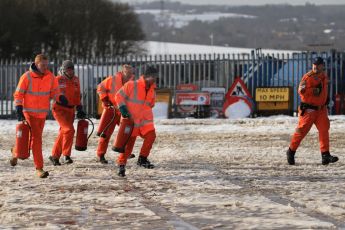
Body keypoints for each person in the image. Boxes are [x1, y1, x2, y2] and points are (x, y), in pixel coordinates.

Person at [11, 54, 58, 178]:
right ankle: (39, 168)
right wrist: (18, 109)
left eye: (46, 65)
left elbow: (55, 92)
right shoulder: (26, 77)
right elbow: (18, 95)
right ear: (36, 64)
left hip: (42, 114)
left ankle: (16, 152)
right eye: (43, 65)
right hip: (29, 113)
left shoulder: (50, 76)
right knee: (36, 140)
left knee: (31, 138)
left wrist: (60, 98)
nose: (45, 68)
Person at [286, 57, 339, 165]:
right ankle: (291, 151)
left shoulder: (324, 76)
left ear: (322, 66)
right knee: (301, 132)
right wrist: (313, 90)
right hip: (309, 110)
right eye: (314, 64)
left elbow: (323, 91)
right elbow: (301, 91)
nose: (315, 66)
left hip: (321, 110)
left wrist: (326, 98)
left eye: (318, 64)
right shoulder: (308, 77)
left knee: (324, 130)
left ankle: (325, 155)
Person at [115, 65, 158, 177]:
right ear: (145, 76)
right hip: (131, 120)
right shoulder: (131, 85)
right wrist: (123, 108)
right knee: (128, 146)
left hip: (145, 121)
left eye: (154, 76)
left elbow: (151, 104)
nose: (153, 79)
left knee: (151, 136)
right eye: (151, 76)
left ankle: (142, 159)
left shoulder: (153, 90)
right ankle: (121, 165)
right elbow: (119, 96)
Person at [49, 60, 85, 166]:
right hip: (59, 109)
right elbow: (52, 93)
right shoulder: (57, 79)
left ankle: (54, 156)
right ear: (63, 70)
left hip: (71, 110)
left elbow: (77, 94)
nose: (70, 71)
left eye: (71, 69)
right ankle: (66, 155)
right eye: (68, 69)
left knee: (64, 132)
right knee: (69, 130)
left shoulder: (76, 80)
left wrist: (79, 108)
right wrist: (60, 98)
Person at [95, 64, 134, 164]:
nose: (129, 74)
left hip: (124, 112)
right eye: (127, 71)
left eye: (131, 72)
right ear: (122, 71)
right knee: (106, 133)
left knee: (128, 133)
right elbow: (100, 87)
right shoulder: (112, 79)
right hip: (111, 110)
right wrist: (104, 99)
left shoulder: (133, 83)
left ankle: (126, 153)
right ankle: (101, 154)